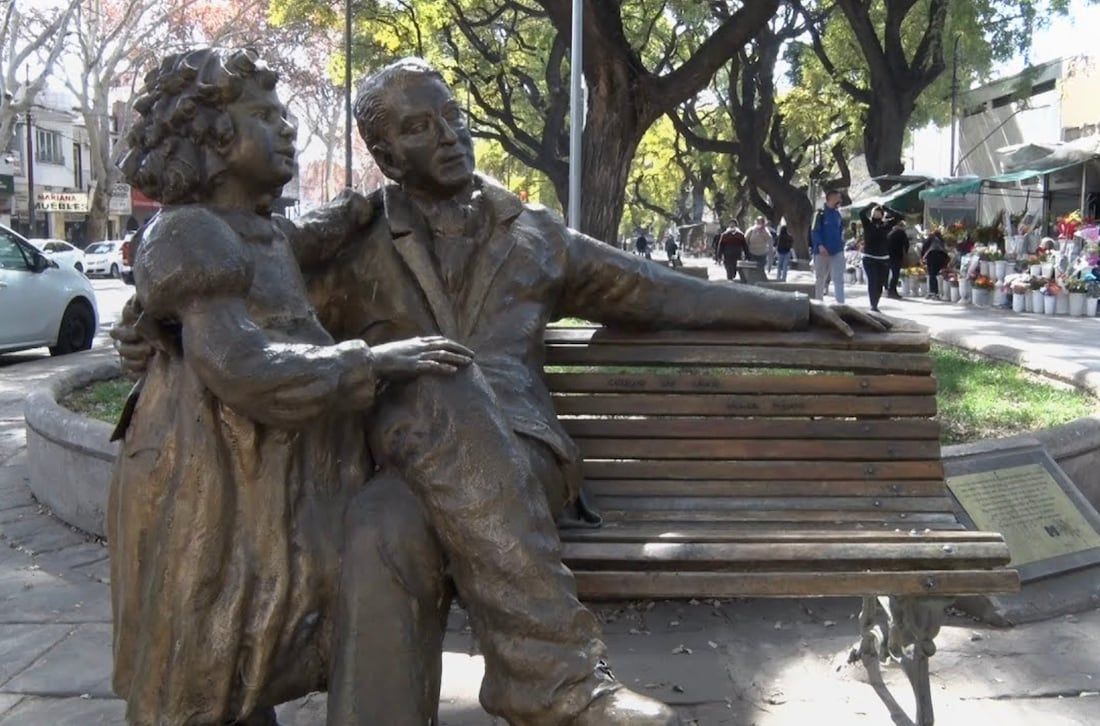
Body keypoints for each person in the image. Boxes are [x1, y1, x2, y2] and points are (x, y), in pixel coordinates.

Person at [115, 55, 888, 726]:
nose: (447, 134)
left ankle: (547, 679)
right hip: (403, 456)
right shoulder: (347, 241)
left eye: (452, 117)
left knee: (391, 511)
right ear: (384, 153)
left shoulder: (535, 234)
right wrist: (149, 320)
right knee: (387, 507)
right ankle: (549, 684)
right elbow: (240, 290)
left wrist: (795, 308)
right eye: (419, 128)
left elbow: (655, 291)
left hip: (520, 457)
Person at [107, 48, 478, 726]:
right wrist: (375, 360)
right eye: (267, 117)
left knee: (243, 648)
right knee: (202, 641)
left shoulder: (260, 232)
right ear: (215, 139)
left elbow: (316, 229)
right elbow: (243, 370)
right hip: (209, 476)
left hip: (261, 478)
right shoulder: (190, 235)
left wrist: (380, 194)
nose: (287, 130)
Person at [859, 204, 901, 312]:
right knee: (872, 281)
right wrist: (871, 204)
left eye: (879, 212)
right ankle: (873, 305)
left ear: (882, 215)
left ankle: (876, 302)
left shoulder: (886, 225)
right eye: (874, 212)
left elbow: (899, 217)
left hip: (883, 259)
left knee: (880, 284)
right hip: (869, 258)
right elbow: (861, 213)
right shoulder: (867, 223)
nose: (876, 214)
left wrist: (886, 208)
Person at [812, 190, 846, 302]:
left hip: (837, 251)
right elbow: (814, 231)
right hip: (822, 252)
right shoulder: (819, 214)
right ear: (830, 198)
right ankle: (818, 303)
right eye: (838, 198)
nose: (840, 200)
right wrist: (820, 245)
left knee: (838, 278)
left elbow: (841, 231)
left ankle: (841, 304)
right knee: (820, 278)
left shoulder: (838, 214)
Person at [922, 229, 950, 300]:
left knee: (932, 274)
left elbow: (925, 246)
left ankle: (933, 292)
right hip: (942, 257)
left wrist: (922, 257)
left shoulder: (931, 238)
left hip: (932, 256)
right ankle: (940, 292)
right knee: (939, 275)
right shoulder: (941, 240)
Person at [887, 219, 909, 299]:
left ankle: (890, 290)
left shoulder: (890, 233)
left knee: (892, 274)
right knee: (895, 275)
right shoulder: (901, 233)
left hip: (889, 256)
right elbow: (906, 245)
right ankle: (892, 291)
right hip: (897, 256)